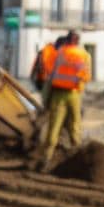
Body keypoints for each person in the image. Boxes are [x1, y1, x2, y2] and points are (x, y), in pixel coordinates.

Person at [39, 30, 91, 171]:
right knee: (75, 126)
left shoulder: (59, 53)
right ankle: (78, 161)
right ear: (78, 41)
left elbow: (48, 70)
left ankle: (45, 160)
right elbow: (86, 77)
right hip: (74, 95)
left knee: (54, 128)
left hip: (58, 95)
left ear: (67, 40)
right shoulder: (84, 55)